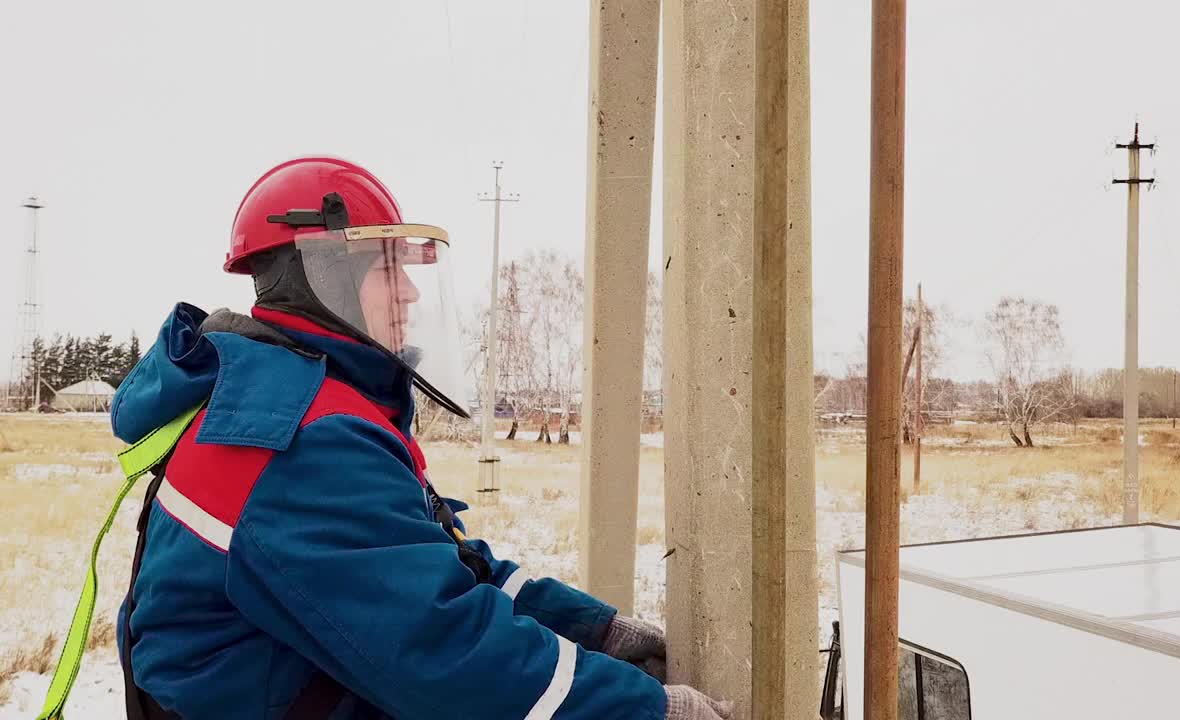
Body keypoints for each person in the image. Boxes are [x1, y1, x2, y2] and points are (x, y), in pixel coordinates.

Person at [110, 157, 734, 720]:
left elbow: (435, 558)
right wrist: (648, 710)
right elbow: (446, 654)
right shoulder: (298, 439)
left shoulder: (297, 399)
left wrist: (593, 628)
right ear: (320, 276)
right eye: (387, 269)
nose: (408, 291)